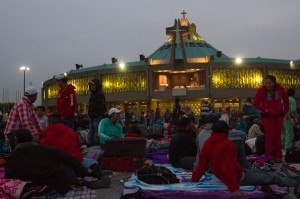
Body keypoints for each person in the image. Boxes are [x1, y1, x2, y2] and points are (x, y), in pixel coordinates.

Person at [192, 120, 300, 197]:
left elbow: (201, 164)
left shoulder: (208, 143)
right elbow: (227, 167)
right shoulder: (227, 144)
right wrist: (234, 188)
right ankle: (296, 181)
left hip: (233, 174)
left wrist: (194, 179)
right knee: (272, 177)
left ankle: (288, 177)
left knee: (264, 172)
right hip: (237, 178)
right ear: (226, 131)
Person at [5, 128, 111, 194]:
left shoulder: (12, 157)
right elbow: (68, 159)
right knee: (67, 167)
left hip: (33, 184)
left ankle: (82, 181)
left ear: (16, 141)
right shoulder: (45, 148)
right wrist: (89, 172)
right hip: (58, 182)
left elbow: (11, 178)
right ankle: (87, 179)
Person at [253, 75, 289, 163]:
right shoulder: (261, 90)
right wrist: (264, 109)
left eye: (270, 83)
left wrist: (285, 112)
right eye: (265, 83)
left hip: (278, 116)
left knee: (277, 136)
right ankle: (269, 155)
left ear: (274, 83)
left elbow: (286, 100)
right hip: (267, 117)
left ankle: (278, 155)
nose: (267, 85)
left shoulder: (280, 88)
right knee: (270, 136)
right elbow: (255, 103)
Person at [88, 78, 106, 146]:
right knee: (91, 133)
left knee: (96, 133)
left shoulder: (99, 94)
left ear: (97, 85)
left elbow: (101, 106)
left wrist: (97, 114)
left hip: (97, 117)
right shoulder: (93, 94)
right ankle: (92, 145)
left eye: (94, 85)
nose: (92, 87)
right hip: (93, 117)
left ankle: (96, 146)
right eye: (91, 85)